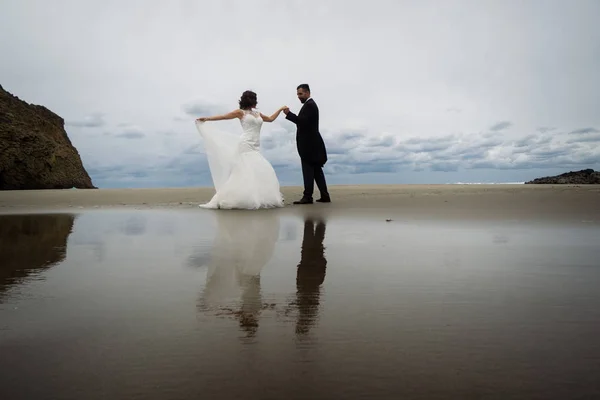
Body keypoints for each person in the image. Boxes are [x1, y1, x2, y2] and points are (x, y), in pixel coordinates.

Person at [195, 90, 286, 209]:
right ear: (250, 101)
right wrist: (207, 119)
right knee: (243, 170)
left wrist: (280, 109)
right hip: (245, 144)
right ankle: (227, 197)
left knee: (257, 169)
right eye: (254, 100)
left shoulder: (258, 114)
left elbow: (270, 119)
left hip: (255, 145)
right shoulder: (240, 112)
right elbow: (224, 116)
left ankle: (256, 196)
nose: (256, 102)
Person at [283, 84, 331, 204]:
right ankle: (325, 196)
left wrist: (288, 114)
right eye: (298, 94)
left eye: (301, 94)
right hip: (314, 145)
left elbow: (302, 122)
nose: (299, 96)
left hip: (309, 146)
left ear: (308, 93)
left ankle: (308, 197)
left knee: (308, 171)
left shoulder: (309, 105)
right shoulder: (310, 105)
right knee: (317, 171)